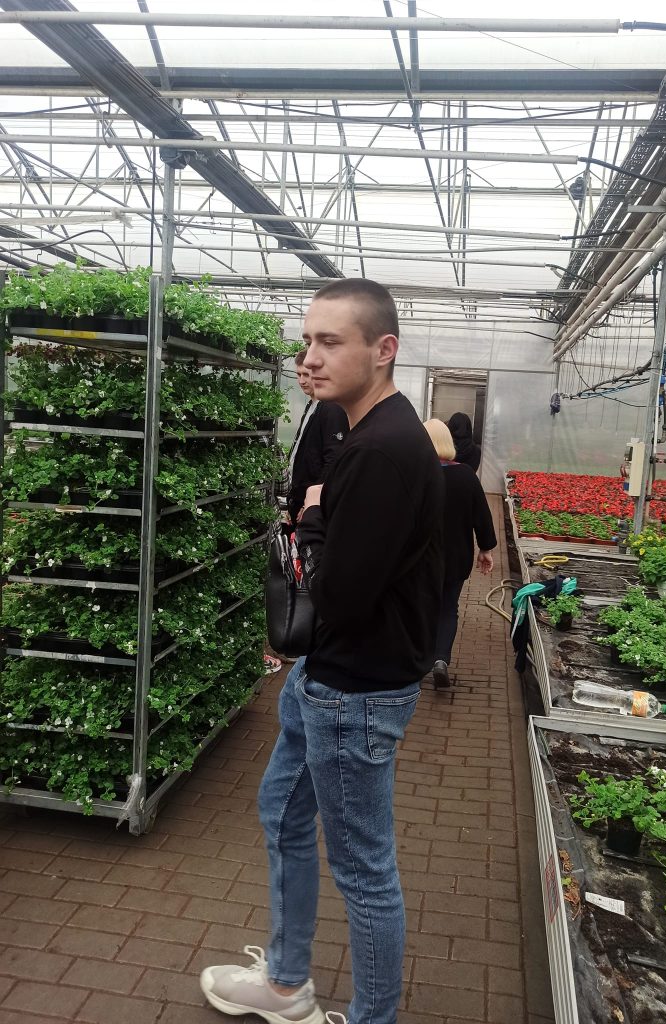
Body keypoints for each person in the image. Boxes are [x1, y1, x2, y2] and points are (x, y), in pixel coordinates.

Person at [201, 280, 444, 1024]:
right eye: (307, 341)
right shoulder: (368, 431)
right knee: (280, 811)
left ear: (383, 349)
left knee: (364, 870)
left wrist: (312, 518)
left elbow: (338, 594)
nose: (311, 356)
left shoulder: (379, 451)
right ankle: (285, 984)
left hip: (355, 689)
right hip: (330, 675)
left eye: (331, 341)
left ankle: (371, 1016)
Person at [423, 418, 496, 689]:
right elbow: (482, 515)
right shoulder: (465, 475)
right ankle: (440, 659)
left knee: (420, 608)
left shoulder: (414, 474)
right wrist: (485, 548)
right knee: (448, 608)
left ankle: (417, 661)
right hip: (456, 557)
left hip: (420, 560)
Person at [286, 350, 348, 525]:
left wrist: (311, 503)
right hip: (300, 499)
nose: (301, 381)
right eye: (298, 374)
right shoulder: (312, 405)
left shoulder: (332, 408)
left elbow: (333, 460)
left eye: (306, 375)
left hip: (312, 502)